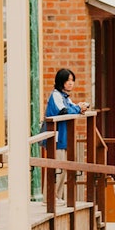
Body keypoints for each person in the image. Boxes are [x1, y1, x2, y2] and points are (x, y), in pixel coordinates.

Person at [45, 68, 89, 200]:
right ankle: (49, 198)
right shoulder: (56, 95)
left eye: (72, 80)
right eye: (67, 80)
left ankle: (57, 197)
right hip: (56, 137)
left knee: (63, 168)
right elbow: (64, 111)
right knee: (56, 168)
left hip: (64, 138)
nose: (70, 83)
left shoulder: (65, 97)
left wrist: (79, 107)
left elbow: (72, 108)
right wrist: (78, 108)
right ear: (61, 82)